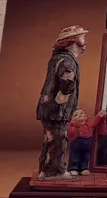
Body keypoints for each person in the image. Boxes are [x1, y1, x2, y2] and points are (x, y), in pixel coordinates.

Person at [35, 25, 89, 179]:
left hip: (48, 107)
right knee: (59, 140)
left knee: (50, 139)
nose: (84, 41)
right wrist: (62, 103)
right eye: (82, 37)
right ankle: (55, 172)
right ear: (74, 40)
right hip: (56, 110)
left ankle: (44, 171)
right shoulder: (67, 61)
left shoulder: (57, 58)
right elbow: (67, 84)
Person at [66, 109, 107, 177]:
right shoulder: (72, 127)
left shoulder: (88, 125)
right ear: (72, 119)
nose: (79, 115)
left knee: (86, 156)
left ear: (85, 117)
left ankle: (83, 168)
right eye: (75, 115)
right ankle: (73, 168)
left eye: (81, 113)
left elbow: (94, 122)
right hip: (76, 144)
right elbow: (69, 133)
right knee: (74, 156)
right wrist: (70, 126)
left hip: (87, 144)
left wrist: (99, 115)